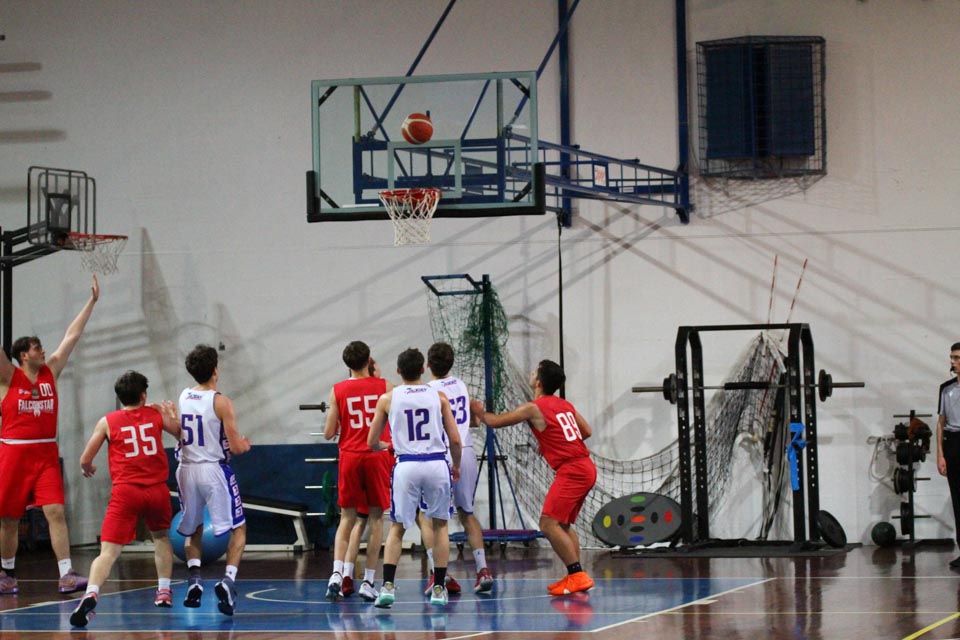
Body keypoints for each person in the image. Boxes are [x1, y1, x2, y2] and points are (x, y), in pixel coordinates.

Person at [0, 275, 100, 596]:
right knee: (9, 519)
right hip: (14, 454)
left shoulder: (50, 371)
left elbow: (72, 335)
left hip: (45, 454)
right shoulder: (8, 377)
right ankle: (7, 574)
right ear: (23, 355)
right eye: (36, 348)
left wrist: (91, 302)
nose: (43, 350)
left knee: (55, 511)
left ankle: (66, 574)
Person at [470, 359, 596, 596]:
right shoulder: (564, 404)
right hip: (585, 467)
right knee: (562, 525)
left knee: (547, 524)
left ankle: (577, 574)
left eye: (534, 371)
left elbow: (495, 421)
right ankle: (575, 576)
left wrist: (478, 411)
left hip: (573, 470)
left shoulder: (533, 407)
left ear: (539, 382)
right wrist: (553, 442)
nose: (530, 372)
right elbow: (586, 431)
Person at [69, 371, 181, 627]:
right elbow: (181, 434)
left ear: (119, 397)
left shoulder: (107, 421)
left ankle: (91, 593)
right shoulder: (154, 414)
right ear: (144, 395)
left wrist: (88, 468)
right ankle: (164, 591)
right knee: (161, 538)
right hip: (156, 490)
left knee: (108, 552)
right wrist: (172, 415)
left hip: (126, 492)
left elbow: (85, 458)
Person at [367, 347, 461, 608]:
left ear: (398, 370)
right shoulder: (439, 397)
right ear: (423, 369)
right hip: (436, 463)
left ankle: (387, 587)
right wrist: (456, 465)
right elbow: (455, 439)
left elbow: (371, 441)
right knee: (440, 526)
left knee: (398, 527)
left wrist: (386, 445)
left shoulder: (388, 399)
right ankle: (439, 588)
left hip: (406, 464)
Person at [175, 344, 251, 615]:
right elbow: (236, 447)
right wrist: (244, 444)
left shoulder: (184, 396)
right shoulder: (221, 402)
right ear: (215, 370)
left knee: (193, 528)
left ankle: (195, 579)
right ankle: (228, 581)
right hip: (213, 469)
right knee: (239, 528)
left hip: (186, 468)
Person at [419, 342, 492, 595]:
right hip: (466, 450)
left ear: (428, 365)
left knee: (429, 517)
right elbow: (474, 420)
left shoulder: (428, 391)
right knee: (467, 513)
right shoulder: (460, 384)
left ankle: (438, 574)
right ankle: (483, 569)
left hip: (442, 453)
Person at [323, 342, 392, 602]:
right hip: (375, 455)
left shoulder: (338, 390)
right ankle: (368, 581)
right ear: (369, 360)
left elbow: (329, 433)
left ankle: (336, 574)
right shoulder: (385, 386)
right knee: (376, 519)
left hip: (350, 456)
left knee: (347, 518)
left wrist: (342, 421)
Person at [938, 342, 960, 568]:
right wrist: (940, 454)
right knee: (957, 498)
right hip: (954, 442)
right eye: (952, 357)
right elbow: (941, 423)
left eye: (957, 357)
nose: (952, 361)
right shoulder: (946, 389)